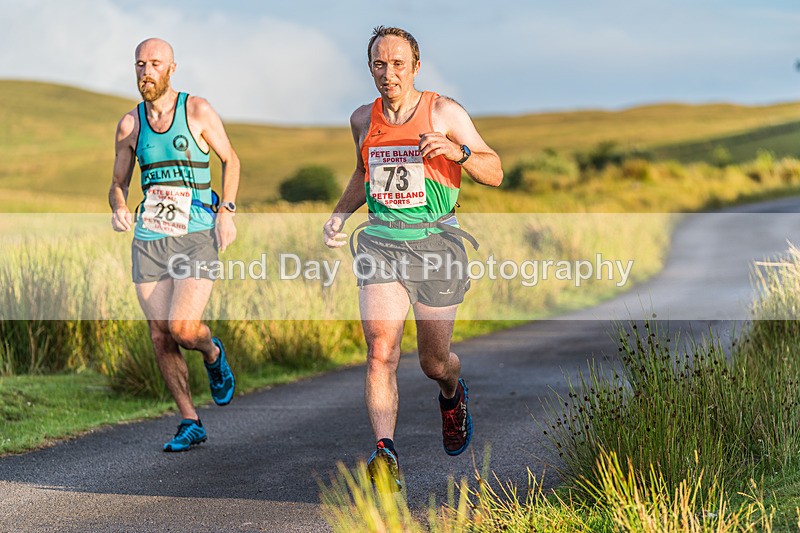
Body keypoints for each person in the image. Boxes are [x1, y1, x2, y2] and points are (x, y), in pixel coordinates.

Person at [323, 26, 503, 489]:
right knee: (381, 349)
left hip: (436, 245)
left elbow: (495, 170)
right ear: (370, 68)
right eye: (380, 64)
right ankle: (385, 452)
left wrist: (457, 151)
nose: (389, 74)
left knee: (432, 361)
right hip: (381, 242)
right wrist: (340, 216)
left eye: (398, 64)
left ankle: (451, 391)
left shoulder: (443, 111)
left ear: (416, 67)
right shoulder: (363, 118)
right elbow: (365, 174)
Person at [109, 38, 240, 452]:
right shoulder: (130, 125)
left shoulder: (196, 110)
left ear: (171, 68)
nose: (146, 71)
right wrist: (118, 207)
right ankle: (189, 419)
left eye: (154, 64)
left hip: (196, 233)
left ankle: (212, 352)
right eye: (140, 64)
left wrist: (228, 212)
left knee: (183, 329)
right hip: (149, 238)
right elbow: (118, 184)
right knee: (160, 334)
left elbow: (231, 160)